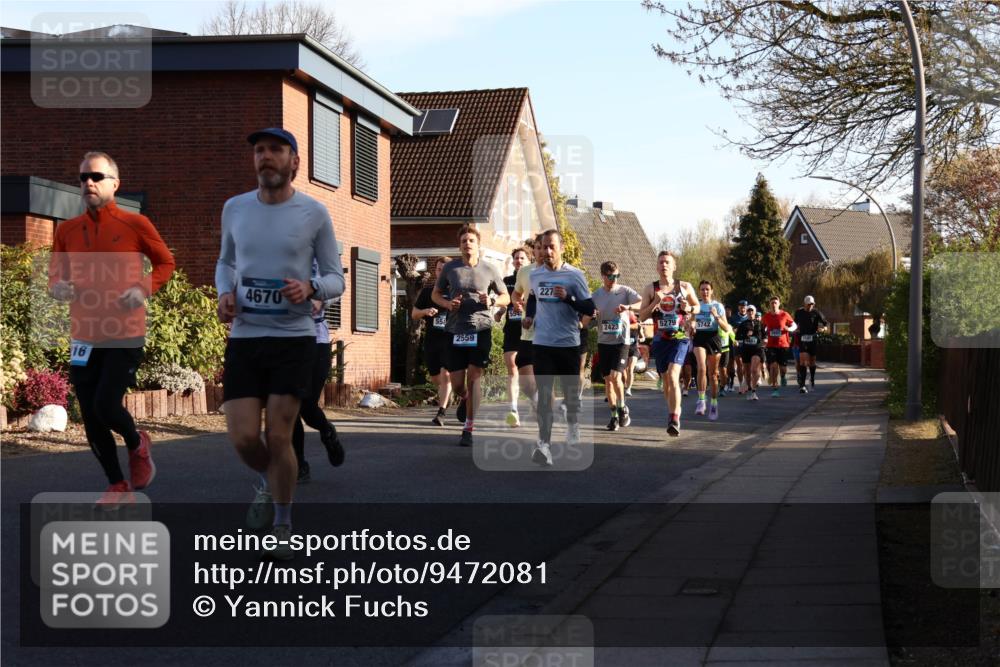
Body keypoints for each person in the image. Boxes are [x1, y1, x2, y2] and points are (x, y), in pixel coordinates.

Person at [216, 128, 345, 559]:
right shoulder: (234, 208)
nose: (265, 157)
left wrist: (310, 288)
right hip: (246, 336)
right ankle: (269, 482)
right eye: (259, 150)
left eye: (276, 150)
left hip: (293, 337)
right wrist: (224, 293)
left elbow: (336, 278)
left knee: (280, 435)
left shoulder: (314, 212)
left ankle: (284, 524)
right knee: (242, 437)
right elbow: (226, 262)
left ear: (294, 162)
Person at [49, 151, 176, 509]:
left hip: (124, 331)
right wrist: (58, 287)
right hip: (84, 335)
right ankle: (117, 484)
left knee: (106, 404)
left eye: (96, 177)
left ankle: (137, 443)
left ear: (115, 184)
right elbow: (55, 276)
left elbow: (166, 262)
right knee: (89, 413)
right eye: (83, 177)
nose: (88, 182)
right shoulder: (66, 230)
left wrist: (143, 289)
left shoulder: (136, 224)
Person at [432, 225, 509, 448]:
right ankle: (464, 398)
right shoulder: (450, 269)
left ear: (478, 244)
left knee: (474, 377)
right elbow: (436, 293)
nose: (468, 244)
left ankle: (468, 428)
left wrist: (492, 301)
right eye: (464, 240)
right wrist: (447, 303)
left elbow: (505, 296)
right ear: (460, 245)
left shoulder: (490, 269)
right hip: (455, 330)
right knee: (457, 384)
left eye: (471, 240)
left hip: (480, 329)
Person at [522, 229, 594, 465]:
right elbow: (532, 297)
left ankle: (572, 422)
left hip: (568, 344)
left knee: (570, 396)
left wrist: (568, 299)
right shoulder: (536, 274)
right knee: (545, 396)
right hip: (542, 342)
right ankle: (544, 446)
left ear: (561, 248)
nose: (547, 251)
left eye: (552, 247)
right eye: (544, 246)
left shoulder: (574, 276)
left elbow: (589, 308)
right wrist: (530, 316)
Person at [291, 260, 345, 483]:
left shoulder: (320, 253)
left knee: (307, 404)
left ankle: (327, 431)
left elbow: (337, 287)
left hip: (316, 339)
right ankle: (299, 464)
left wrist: (320, 298)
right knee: (290, 404)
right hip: (286, 338)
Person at [638, 251, 700, 436]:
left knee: (674, 376)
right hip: (660, 340)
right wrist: (654, 302)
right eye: (661, 262)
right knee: (666, 381)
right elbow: (642, 315)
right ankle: (673, 409)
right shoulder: (651, 289)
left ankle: (674, 417)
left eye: (667, 262)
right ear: (657, 267)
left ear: (674, 266)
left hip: (680, 338)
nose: (664, 265)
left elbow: (697, 306)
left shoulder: (684, 286)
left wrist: (688, 308)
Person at [591, 261, 642, 431]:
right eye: (611, 277)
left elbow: (642, 304)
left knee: (615, 376)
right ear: (603, 276)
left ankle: (622, 407)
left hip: (621, 341)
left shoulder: (625, 291)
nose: (614, 279)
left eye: (617, 276)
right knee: (607, 380)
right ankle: (613, 415)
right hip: (604, 341)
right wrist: (592, 315)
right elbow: (588, 318)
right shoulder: (596, 295)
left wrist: (628, 307)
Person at [412, 256, 453, 426]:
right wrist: (425, 311)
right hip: (432, 340)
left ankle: (441, 412)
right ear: (435, 271)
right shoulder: (428, 292)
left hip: (450, 339)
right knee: (436, 377)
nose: (441, 272)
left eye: (445, 269)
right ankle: (447, 395)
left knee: (446, 374)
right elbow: (414, 314)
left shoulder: (456, 291)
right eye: (438, 269)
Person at [495, 246, 531, 426]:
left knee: (530, 373)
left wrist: (523, 306)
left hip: (530, 330)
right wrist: (501, 312)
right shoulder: (507, 281)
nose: (519, 261)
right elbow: (505, 302)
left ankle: (536, 400)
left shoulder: (533, 278)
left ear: (528, 261)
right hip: (511, 329)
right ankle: (513, 409)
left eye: (522, 258)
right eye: (516, 258)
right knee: (512, 367)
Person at [512, 234, 546, 415]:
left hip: (550, 335)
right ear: (534, 250)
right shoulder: (524, 272)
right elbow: (516, 293)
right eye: (538, 248)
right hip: (528, 332)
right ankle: (536, 399)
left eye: (545, 247)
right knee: (526, 383)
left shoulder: (561, 273)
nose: (542, 251)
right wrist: (517, 302)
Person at [691, 281, 733, 421]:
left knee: (713, 374)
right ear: (699, 291)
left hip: (713, 338)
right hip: (699, 338)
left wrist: (716, 316)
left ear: (712, 291)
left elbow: (726, 328)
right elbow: (690, 322)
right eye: (702, 289)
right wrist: (690, 326)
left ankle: (714, 403)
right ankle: (702, 400)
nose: (705, 292)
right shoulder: (696, 305)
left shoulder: (718, 306)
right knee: (701, 368)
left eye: (707, 289)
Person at [761, 296, 798, 397]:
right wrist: (764, 336)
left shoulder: (784, 314)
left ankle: (783, 376)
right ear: (770, 304)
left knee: (783, 368)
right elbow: (761, 328)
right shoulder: (766, 316)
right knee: (773, 366)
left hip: (783, 344)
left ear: (779, 304)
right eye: (772, 303)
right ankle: (775, 388)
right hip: (771, 344)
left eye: (775, 303)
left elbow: (794, 326)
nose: (774, 304)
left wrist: (788, 329)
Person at [794, 295, 829, 393]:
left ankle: (812, 379)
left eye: (812, 304)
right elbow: (794, 324)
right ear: (804, 304)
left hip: (813, 339)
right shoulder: (799, 312)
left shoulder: (816, 312)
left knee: (812, 363)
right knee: (803, 362)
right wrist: (794, 329)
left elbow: (825, 323)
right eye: (808, 304)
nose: (810, 306)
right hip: (802, 339)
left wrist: (824, 328)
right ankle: (802, 385)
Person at [735, 305, 765, 400]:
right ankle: (749, 388)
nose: (750, 313)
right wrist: (745, 335)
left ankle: (754, 391)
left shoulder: (760, 324)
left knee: (754, 370)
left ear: (755, 312)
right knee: (747, 373)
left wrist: (765, 341)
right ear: (747, 313)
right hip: (746, 349)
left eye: (752, 311)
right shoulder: (743, 324)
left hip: (757, 349)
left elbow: (765, 335)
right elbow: (737, 337)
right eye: (748, 311)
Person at [730, 300, 751, 393]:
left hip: (747, 343)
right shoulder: (733, 318)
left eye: (744, 307)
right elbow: (729, 329)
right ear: (738, 307)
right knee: (739, 363)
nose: (743, 308)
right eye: (741, 306)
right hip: (737, 342)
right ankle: (741, 383)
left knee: (746, 364)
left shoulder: (750, 317)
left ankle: (746, 382)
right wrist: (734, 330)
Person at [623, 310, 641, 396]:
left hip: (634, 350)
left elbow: (643, 337)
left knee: (630, 369)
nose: (635, 318)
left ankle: (629, 388)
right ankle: (625, 385)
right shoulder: (622, 325)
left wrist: (641, 339)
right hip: (624, 350)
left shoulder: (638, 326)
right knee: (623, 370)